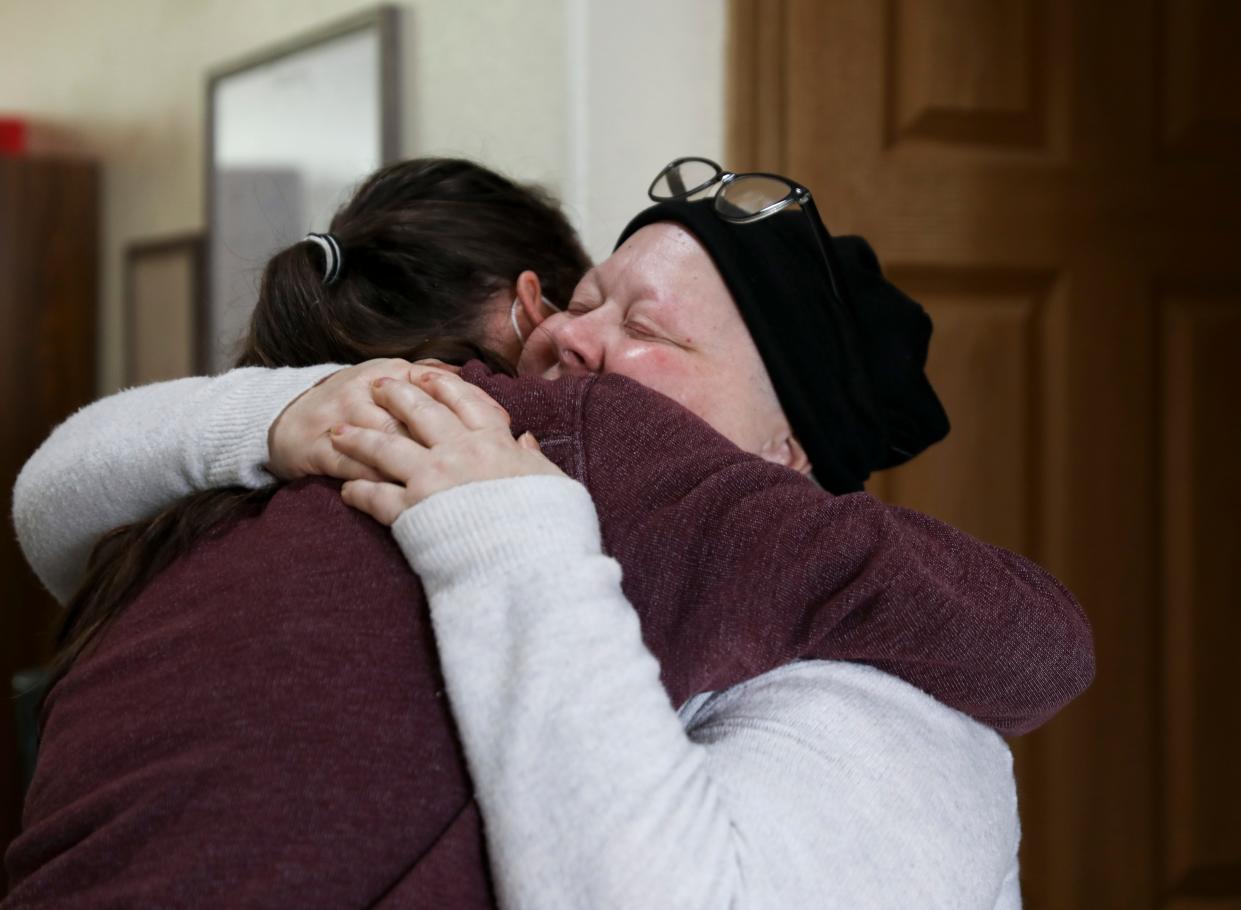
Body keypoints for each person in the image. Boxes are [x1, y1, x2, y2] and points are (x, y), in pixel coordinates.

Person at [6, 157, 1088, 906]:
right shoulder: (441, 470)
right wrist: (284, 415)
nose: (567, 340)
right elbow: (67, 504)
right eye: (580, 298)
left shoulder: (885, 715)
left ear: (786, 454)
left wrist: (511, 532)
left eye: (643, 327)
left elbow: (1041, 643)